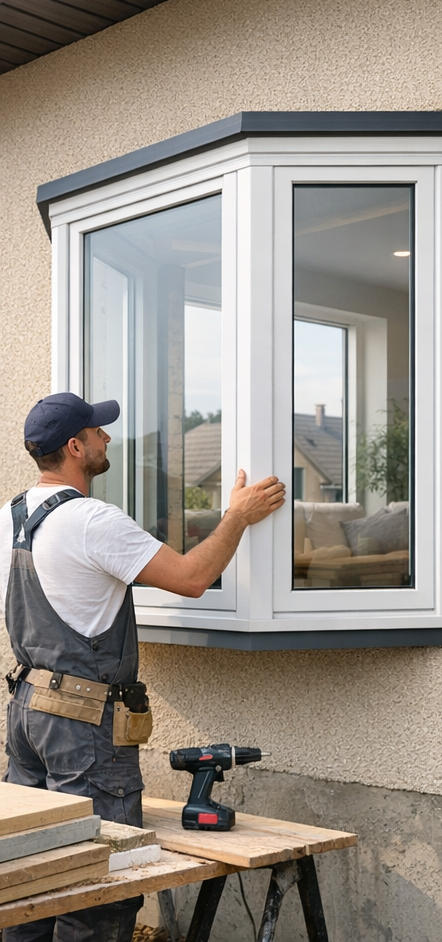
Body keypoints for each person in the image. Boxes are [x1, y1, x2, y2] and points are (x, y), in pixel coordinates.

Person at [1, 393, 284, 942]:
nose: (109, 438)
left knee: (31, 882)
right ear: (75, 447)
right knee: (100, 888)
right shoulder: (90, 520)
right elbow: (192, 578)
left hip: (28, 714)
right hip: (83, 729)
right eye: (99, 432)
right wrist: (238, 516)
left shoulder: (13, 517)